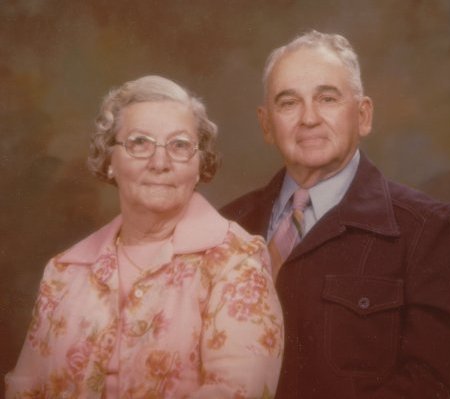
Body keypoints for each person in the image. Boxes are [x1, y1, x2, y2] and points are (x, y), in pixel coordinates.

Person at [220, 31, 450, 398]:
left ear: (363, 115)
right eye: (288, 103)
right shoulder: (226, 226)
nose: (309, 118)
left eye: (327, 98)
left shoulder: (429, 229)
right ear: (266, 124)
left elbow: (437, 381)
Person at [5, 75, 283, 398]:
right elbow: (23, 390)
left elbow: (235, 392)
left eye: (179, 145)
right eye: (139, 143)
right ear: (110, 160)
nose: (160, 162)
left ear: (198, 164)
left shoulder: (237, 263)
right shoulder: (63, 273)